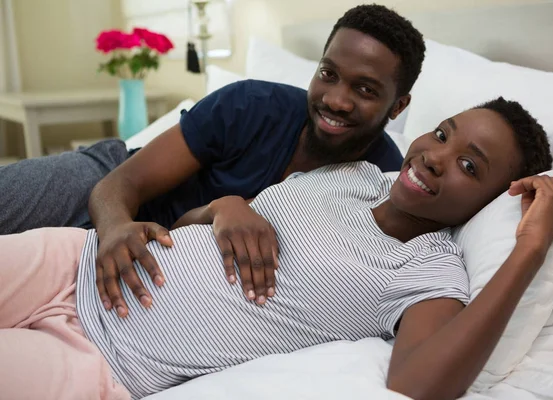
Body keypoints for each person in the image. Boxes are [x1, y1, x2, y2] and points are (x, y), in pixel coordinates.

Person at [0, 98, 553, 400]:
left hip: (106, 362)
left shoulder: (429, 275)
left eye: (470, 166)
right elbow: (198, 225)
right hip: (76, 263)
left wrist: (530, 250)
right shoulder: (352, 172)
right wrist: (225, 207)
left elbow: (416, 386)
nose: (436, 156)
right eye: (442, 134)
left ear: (493, 199)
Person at [0, 4, 425, 316]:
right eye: (328, 74)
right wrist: (113, 227)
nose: (335, 99)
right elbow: (118, 184)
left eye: (365, 90)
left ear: (397, 106)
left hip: (159, 254)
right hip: (103, 186)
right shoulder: (250, 104)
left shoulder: (380, 184)